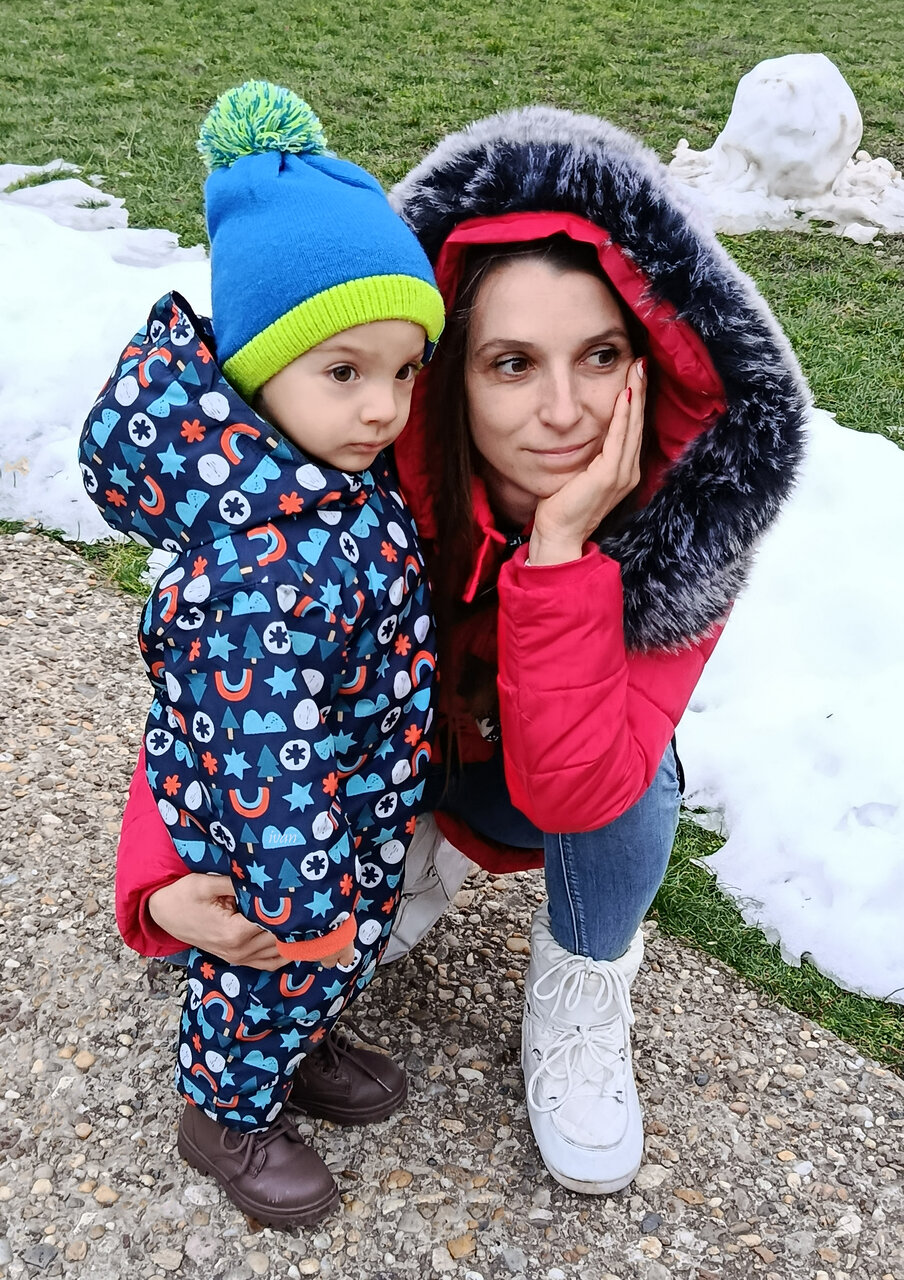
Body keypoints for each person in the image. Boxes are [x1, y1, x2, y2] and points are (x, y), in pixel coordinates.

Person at [112, 105, 807, 1197]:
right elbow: (227, 694)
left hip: (545, 777)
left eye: (601, 356)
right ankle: (404, 859)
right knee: (293, 922)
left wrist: (563, 554)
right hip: (393, 764)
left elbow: (576, 790)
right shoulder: (357, 464)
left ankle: (583, 984)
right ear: (452, 374)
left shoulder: (684, 507)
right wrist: (158, 883)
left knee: (642, 776)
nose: (565, 412)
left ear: (644, 363)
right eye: (512, 362)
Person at [78, 80, 444, 1228]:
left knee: (325, 963)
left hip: (348, 803)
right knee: (262, 973)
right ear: (255, 368)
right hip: (271, 841)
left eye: (402, 370)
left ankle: (305, 1035)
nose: (382, 407)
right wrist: (298, 895)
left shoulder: (328, 479)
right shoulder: (250, 563)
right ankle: (225, 1110)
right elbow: (257, 738)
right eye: (344, 371)